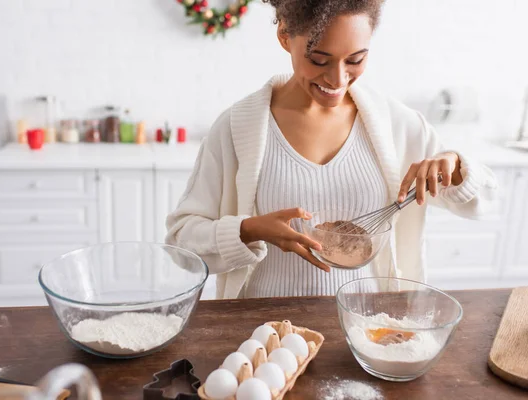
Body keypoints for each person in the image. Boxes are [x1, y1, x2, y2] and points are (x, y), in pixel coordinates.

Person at [165, 0, 497, 299]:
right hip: (261, 329)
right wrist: (247, 229)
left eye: (355, 59)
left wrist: (454, 167)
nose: (338, 79)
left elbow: (489, 202)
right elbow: (180, 243)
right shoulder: (236, 128)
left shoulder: (398, 125)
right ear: (284, 36)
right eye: (319, 59)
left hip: (366, 326)